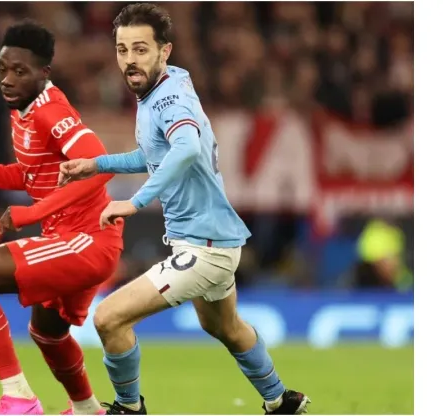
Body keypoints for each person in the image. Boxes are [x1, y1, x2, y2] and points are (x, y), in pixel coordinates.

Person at [58, 4, 310, 415]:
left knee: (108, 318)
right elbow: (156, 154)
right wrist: (97, 164)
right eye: (122, 50)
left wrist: (135, 202)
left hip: (204, 249)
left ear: (165, 51)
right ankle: (282, 400)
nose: (130, 60)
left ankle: (128, 408)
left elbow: (187, 148)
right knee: (224, 327)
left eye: (141, 49)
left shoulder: (169, 98)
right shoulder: (168, 86)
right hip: (214, 239)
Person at [0, 20, 124, 415]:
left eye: (19, 71)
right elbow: (31, 175)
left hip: (85, 240)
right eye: (2, 69)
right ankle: (88, 410)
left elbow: (101, 167)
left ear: (44, 73)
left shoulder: (50, 112)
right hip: (75, 236)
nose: (7, 80)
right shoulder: (22, 108)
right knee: (48, 334)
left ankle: (19, 396)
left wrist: (33, 213)